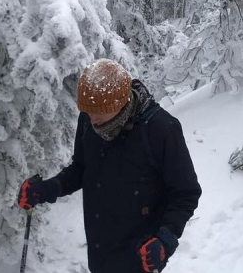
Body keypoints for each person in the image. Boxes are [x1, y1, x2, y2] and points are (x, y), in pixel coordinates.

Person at [17, 60, 202, 273]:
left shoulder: (160, 129)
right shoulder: (90, 119)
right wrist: (48, 189)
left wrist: (165, 239)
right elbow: (81, 168)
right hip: (100, 249)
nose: (92, 119)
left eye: (98, 113)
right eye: (87, 112)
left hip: (140, 255)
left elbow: (186, 193)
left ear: (118, 104)